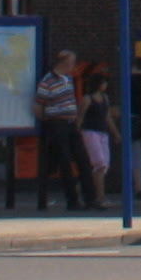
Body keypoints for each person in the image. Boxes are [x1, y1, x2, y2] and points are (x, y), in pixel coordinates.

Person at [36, 49, 90, 213]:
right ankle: (72, 200)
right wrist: (48, 119)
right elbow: (38, 105)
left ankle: (91, 197)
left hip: (71, 123)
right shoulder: (47, 81)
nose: (73, 66)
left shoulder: (68, 79)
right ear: (64, 62)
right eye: (72, 62)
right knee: (65, 162)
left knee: (83, 159)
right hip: (57, 124)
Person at [78, 66, 118, 211]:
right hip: (90, 132)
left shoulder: (105, 99)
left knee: (104, 166)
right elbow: (80, 118)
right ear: (98, 84)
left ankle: (87, 190)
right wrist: (77, 135)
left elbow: (107, 117)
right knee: (99, 163)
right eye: (104, 82)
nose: (105, 85)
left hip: (103, 133)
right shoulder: (87, 99)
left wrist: (116, 134)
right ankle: (100, 198)